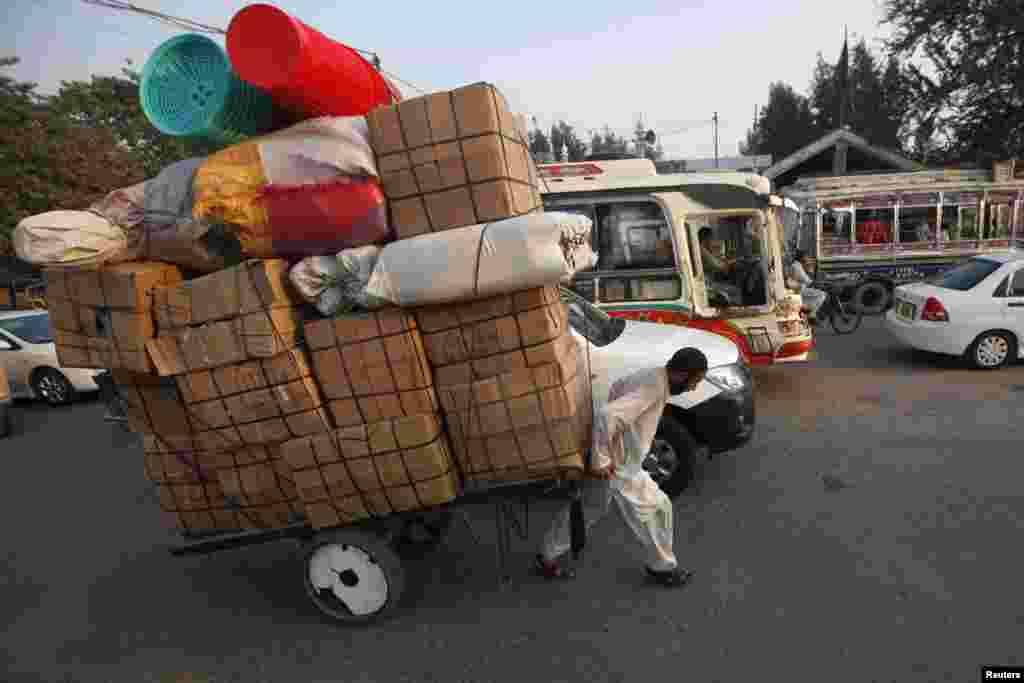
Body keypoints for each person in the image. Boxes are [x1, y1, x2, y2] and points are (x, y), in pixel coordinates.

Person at [534, 348, 708, 588]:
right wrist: (602, 460)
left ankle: (547, 555)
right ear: (681, 374)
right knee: (658, 510)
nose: (693, 388)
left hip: (619, 464)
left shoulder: (652, 374)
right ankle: (662, 568)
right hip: (620, 469)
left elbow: (617, 389)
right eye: (694, 381)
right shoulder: (654, 387)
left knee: (588, 510)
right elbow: (607, 416)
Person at [698, 227, 742, 304]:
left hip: (708, 282)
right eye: (712, 238)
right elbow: (719, 266)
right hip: (707, 285)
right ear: (706, 238)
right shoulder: (701, 250)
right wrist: (735, 261)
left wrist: (728, 261)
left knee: (731, 286)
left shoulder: (703, 249)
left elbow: (717, 262)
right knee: (735, 291)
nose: (713, 241)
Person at [787, 249, 826, 322]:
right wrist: (817, 283)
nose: (807, 258)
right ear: (801, 257)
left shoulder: (798, 265)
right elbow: (806, 280)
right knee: (822, 295)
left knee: (816, 296)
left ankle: (808, 312)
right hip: (798, 290)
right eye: (806, 256)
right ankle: (812, 315)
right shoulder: (796, 267)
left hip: (799, 289)